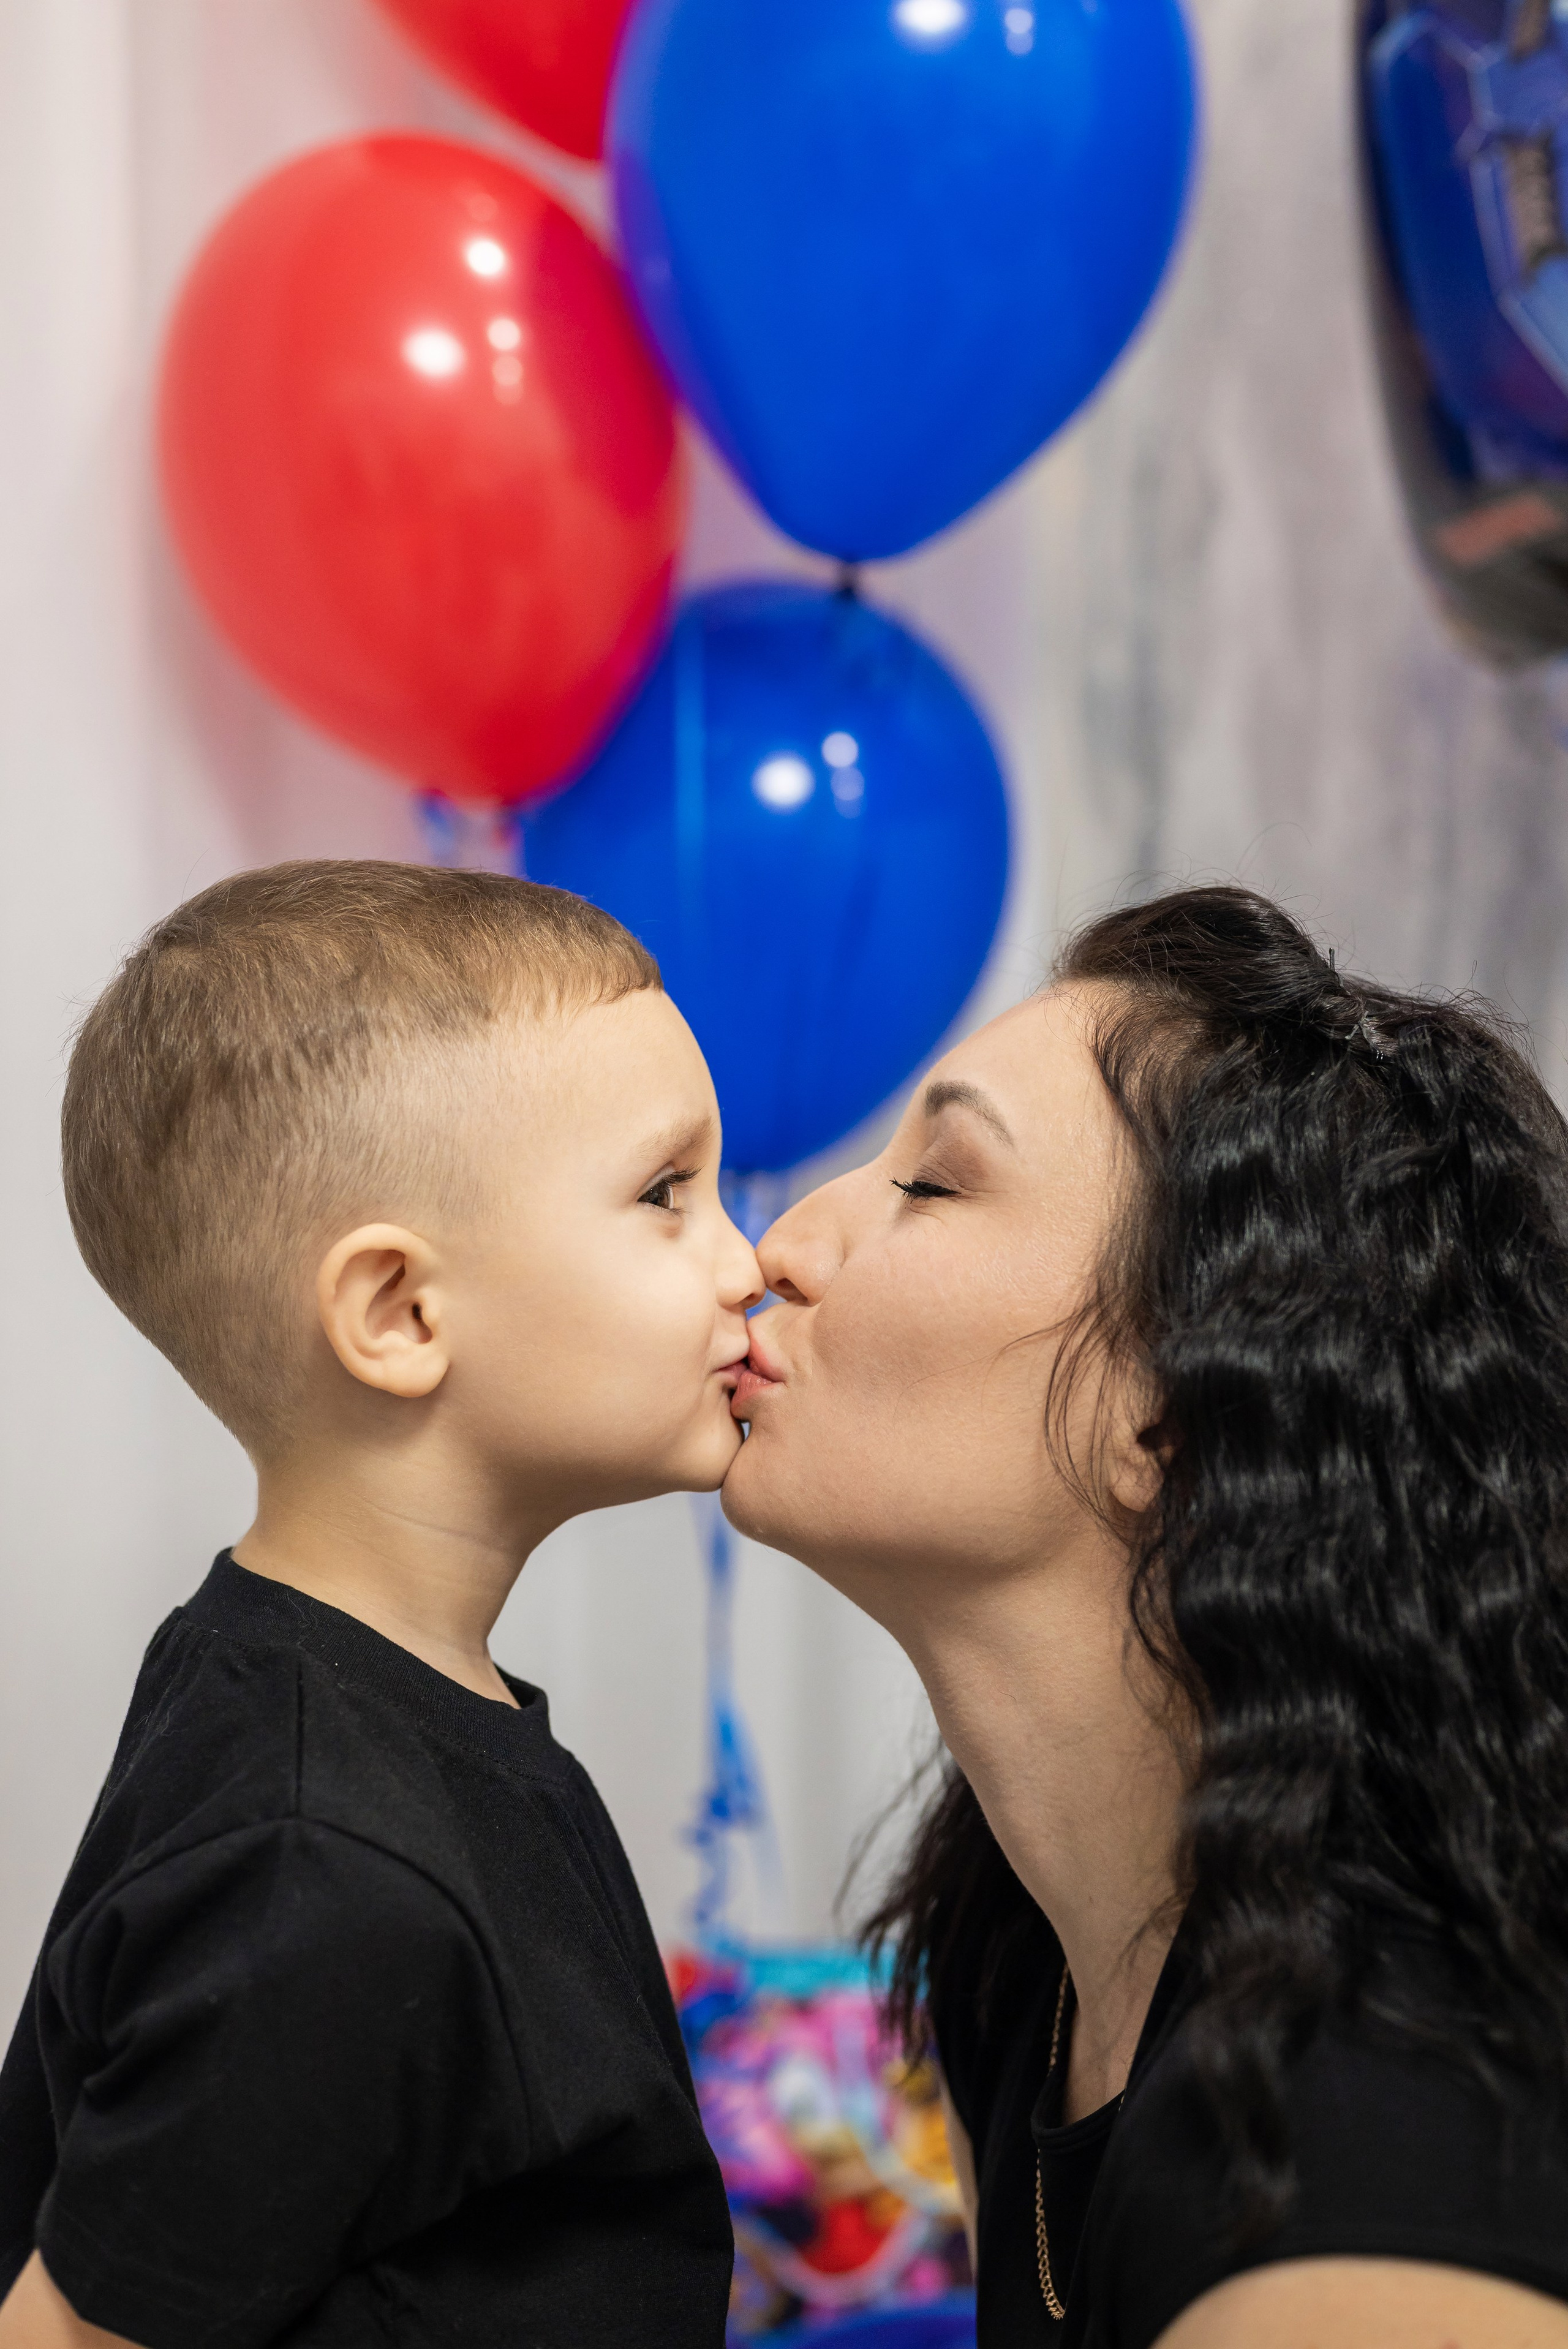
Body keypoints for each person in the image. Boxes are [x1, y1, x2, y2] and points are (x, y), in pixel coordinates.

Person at [725, 884, 1568, 2349]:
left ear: (1175, 1408)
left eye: (929, 1184)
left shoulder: (1376, 2134)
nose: (782, 1242)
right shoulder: (1013, 1961)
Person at [0, 861, 763, 2349]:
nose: (744, 1262)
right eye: (666, 1194)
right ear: (400, 1314)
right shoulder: (324, 1868)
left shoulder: (311, 1690)